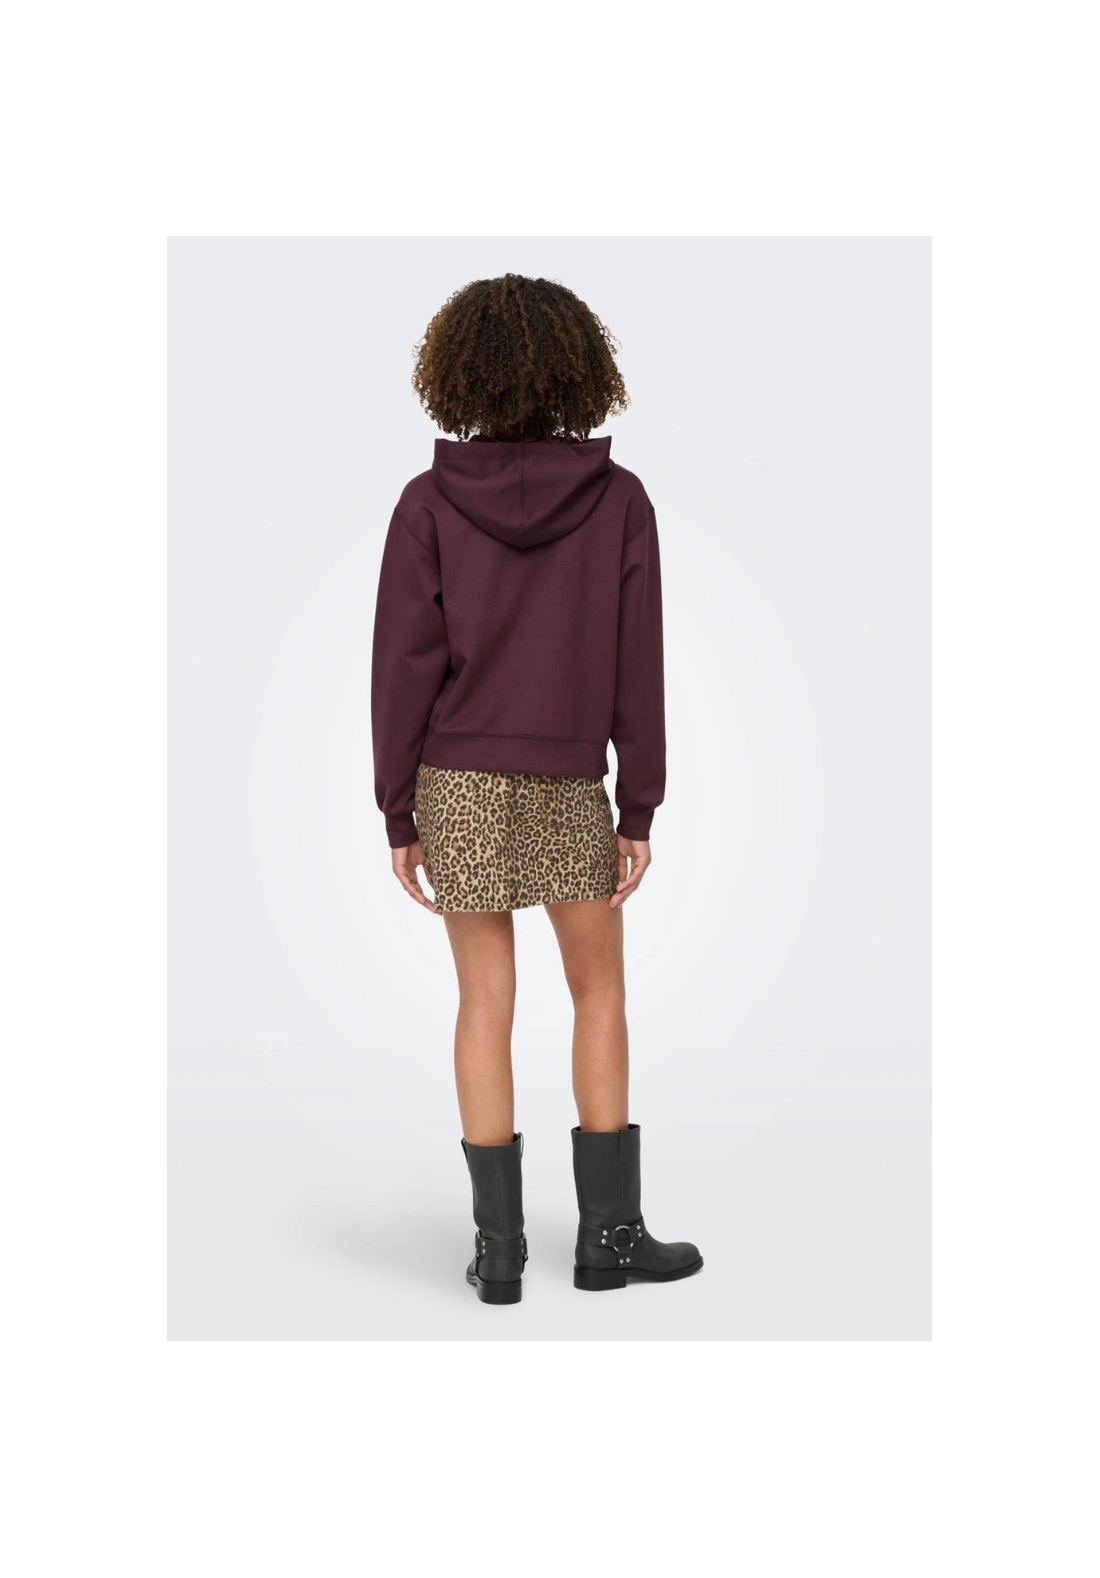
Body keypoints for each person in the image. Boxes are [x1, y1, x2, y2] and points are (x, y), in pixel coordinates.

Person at [372, 273, 702, 1303]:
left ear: (456, 373)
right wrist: (638, 801)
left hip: (459, 782)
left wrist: (398, 809)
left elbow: (402, 667)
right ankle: (608, 1241)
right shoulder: (619, 501)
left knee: (485, 999)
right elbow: (636, 662)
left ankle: (500, 1253)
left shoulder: (427, 503)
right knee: (597, 991)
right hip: (567, 780)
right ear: (578, 369)